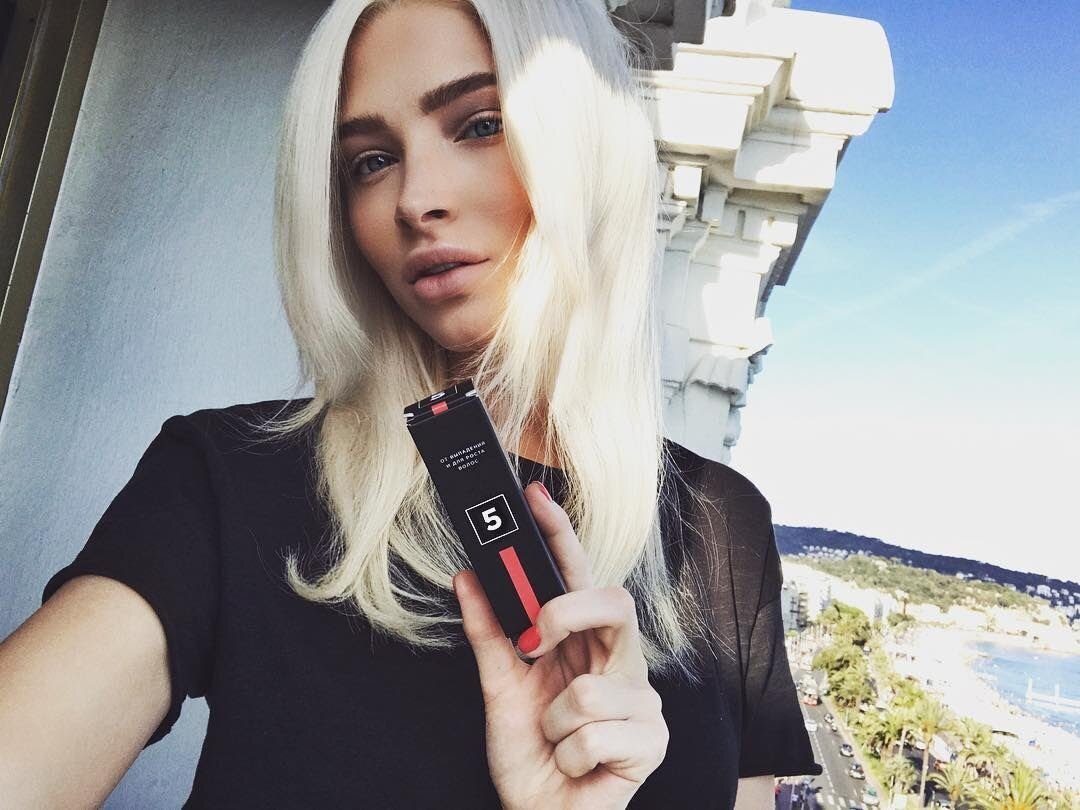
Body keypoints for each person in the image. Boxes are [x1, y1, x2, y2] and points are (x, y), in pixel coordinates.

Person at [0, 0, 821, 807]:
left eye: (479, 124)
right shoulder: (225, 479)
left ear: (587, 146)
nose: (413, 199)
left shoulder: (722, 529)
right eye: (369, 161)